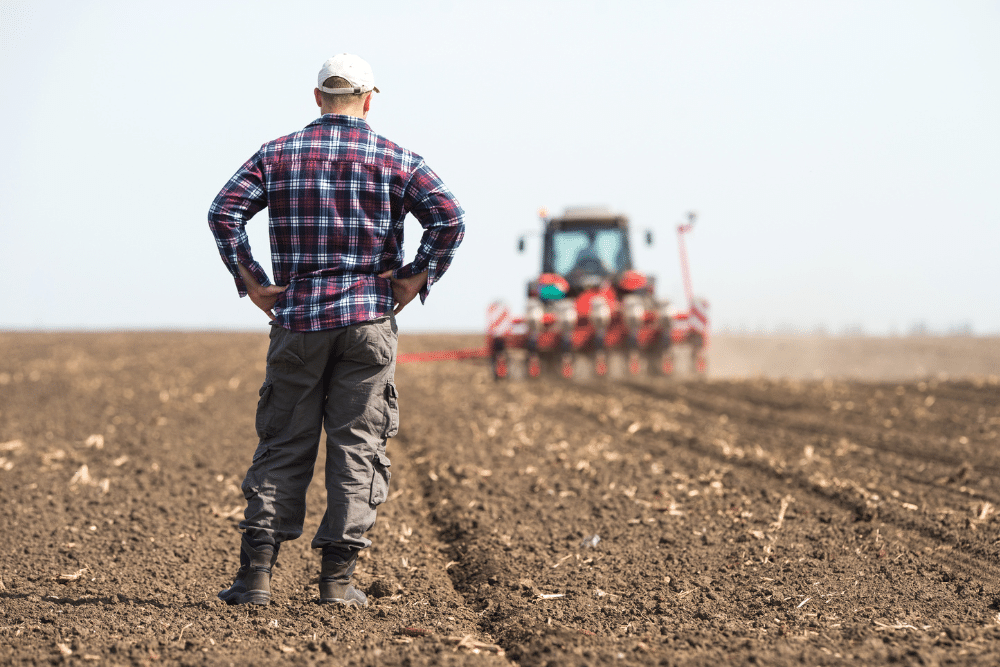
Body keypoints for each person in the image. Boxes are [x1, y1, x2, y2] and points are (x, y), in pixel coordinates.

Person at [207, 53, 465, 607]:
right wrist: (415, 277)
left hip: (298, 319)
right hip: (369, 321)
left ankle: (255, 579)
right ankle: (337, 583)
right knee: (358, 447)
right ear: (370, 99)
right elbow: (450, 218)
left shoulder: (276, 154)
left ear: (317, 98)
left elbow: (223, 211)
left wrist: (251, 280)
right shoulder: (397, 158)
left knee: (283, 444)